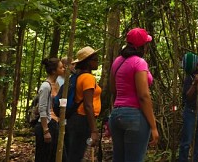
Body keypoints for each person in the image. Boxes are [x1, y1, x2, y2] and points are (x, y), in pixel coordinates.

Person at [109, 28, 159, 161]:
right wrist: (153, 127)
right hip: (135, 116)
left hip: (116, 115)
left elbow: (113, 89)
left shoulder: (117, 61)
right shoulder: (139, 62)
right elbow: (143, 96)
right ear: (142, 46)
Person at [65, 46, 103, 161]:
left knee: (74, 153)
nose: (97, 62)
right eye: (95, 60)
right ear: (87, 63)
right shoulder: (88, 78)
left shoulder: (79, 76)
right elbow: (88, 105)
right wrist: (94, 130)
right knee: (75, 155)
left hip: (77, 120)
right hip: (82, 120)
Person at [35, 57, 65, 162]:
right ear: (54, 71)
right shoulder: (45, 86)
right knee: (44, 157)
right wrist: (45, 130)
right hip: (47, 124)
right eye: (61, 67)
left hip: (54, 123)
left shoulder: (57, 84)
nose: (63, 69)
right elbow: (42, 109)